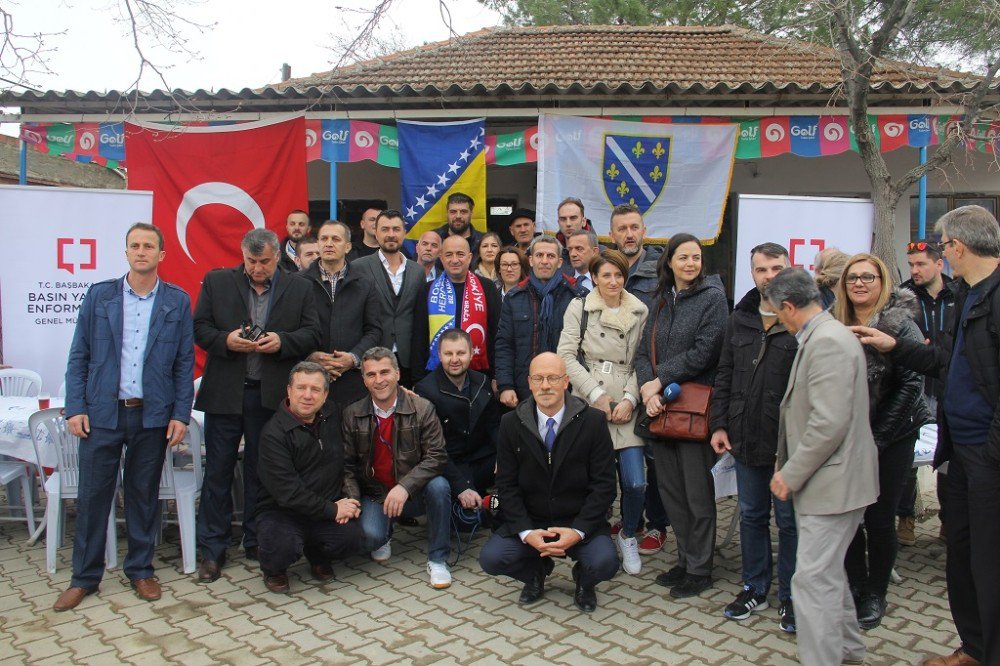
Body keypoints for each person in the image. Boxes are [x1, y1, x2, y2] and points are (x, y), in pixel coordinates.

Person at [852, 206, 1000, 666]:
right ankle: (973, 648)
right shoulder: (967, 295)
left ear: (956, 247)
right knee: (963, 552)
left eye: (945, 247)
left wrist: (993, 452)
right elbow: (945, 363)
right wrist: (894, 346)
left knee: (989, 560)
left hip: (987, 454)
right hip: (960, 452)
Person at [54, 223, 194, 611]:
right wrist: (77, 406)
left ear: (161, 255)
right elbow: (78, 355)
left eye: (149, 246)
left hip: (151, 415)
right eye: (135, 245)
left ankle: (140, 570)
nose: (142, 251)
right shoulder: (100, 297)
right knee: (93, 497)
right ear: (126, 252)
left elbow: (184, 364)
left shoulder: (176, 302)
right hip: (101, 414)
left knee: (143, 496)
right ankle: (84, 577)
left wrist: (180, 413)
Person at [193, 228, 321, 582]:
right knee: (218, 471)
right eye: (251, 261)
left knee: (261, 471)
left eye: (264, 261)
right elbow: (200, 328)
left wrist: (282, 341)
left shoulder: (299, 287)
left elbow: (313, 333)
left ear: (278, 256)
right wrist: (226, 341)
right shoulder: (217, 281)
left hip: (270, 394)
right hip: (226, 394)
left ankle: (256, 540)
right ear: (243, 256)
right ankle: (213, 550)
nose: (257, 268)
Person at [766, 267, 879, 666]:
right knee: (827, 575)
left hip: (832, 484)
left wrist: (789, 473)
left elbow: (828, 423)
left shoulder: (827, 341)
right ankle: (847, 651)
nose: (778, 320)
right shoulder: (825, 335)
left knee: (811, 579)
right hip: (835, 481)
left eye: (777, 313)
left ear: (789, 307)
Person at [832, 253, 932, 630]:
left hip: (892, 434)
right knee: (850, 516)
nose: (860, 283)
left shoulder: (899, 322)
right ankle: (856, 585)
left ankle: (876, 592)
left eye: (868, 277)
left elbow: (911, 385)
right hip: (846, 436)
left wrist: (876, 439)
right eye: (853, 277)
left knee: (879, 517)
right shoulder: (834, 322)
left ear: (882, 282)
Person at [479, 353, 619, 612]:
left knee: (605, 562)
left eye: (553, 378)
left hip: (578, 520)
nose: (545, 386)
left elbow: (605, 486)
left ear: (566, 381)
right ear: (529, 383)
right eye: (539, 379)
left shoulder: (593, 422)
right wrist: (526, 532)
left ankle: (584, 581)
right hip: (533, 522)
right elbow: (506, 486)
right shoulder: (510, 424)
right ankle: (536, 572)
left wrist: (577, 531)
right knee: (492, 558)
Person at [710, 242, 799, 632]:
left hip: (789, 444)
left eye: (777, 268)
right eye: (762, 270)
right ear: (753, 273)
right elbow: (724, 374)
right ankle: (754, 586)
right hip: (744, 438)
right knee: (751, 516)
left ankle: (793, 597)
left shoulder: (801, 321)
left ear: (789, 270)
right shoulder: (739, 318)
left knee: (790, 521)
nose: (769, 276)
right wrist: (718, 424)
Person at [636, 233, 728, 599]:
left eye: (696, 257)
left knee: (696, 494)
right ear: (670, 261)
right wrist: (648, 389)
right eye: (684, 257)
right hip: (662, 410)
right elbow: (644, 352)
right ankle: (686, 559)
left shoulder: (713, 299)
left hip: (694, 410)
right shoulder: (660, 301)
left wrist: (659, 381)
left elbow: (704, 352)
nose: (691, 263)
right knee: (672, 491)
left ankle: (701, 568)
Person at [556, 250, 648, 575]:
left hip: (626, 393)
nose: (612, 281)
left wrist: (629, 400)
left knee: (636, 482)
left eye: (618, 275)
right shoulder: (579, 307)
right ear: (594, 277)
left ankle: (628, 533)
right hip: (587, 394)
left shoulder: (639, 310)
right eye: (606, 275)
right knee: (591, 480)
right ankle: (594, 536)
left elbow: (643, 360)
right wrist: (595, 394)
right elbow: (565, 355)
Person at [341, 347, 452, 588]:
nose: (379, 380)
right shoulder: (352, 414)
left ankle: (438, 559)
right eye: (371, 375)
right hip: (375, 494)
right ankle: (384, 533)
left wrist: (404, 487)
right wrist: (352, 500)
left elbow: (437, 456)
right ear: (363, 380)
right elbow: (347, 466)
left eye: (385, 372)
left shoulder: (422, 408)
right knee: (370, 538)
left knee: (440, 486)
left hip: (413, 493)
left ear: (398, 374)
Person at [255, 362, 363, 594]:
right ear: (289, 391)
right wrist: (333, 510)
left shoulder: (333, 415)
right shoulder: (273, 434)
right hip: (282, 512)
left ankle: (317, 554)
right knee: (281, 545)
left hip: (322, 508)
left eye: (315, 390)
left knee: (353, 537)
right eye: (301, 388)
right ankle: (274, 570)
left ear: (325, 395)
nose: (307, 395)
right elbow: (288, 493)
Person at [610, 203, 669, 558]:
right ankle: (634, 520)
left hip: (652, 378)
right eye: (622, 229)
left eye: (634, 227)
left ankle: (658, 523)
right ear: (612, 234)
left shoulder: (661, 269)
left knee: (653, 457)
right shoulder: (608, 268)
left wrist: (656, 379)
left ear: (644, 230)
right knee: (623, 457)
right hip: (617, 379)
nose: (629, 234)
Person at [897, 239, 955, 546]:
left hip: (948, 386)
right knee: (909, 454)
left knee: (947, 455)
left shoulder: (958, 293)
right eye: (911, 264)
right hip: (915, 387)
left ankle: (948, 519)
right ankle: (905, 517)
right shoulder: (903, 297)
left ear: (939, 264)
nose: (915, 270)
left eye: (920, 264)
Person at [298, 220, 381, 408]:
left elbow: (374, 331)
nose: (329, 243)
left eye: (335, 239)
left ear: (348, 246)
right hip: (309, 380)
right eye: (324, 239)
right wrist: (310, 356)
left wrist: (352, 358)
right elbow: (291, 329)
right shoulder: (298, 283)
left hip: (352, 383)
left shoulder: (365, 284)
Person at [414, 329, 501, 510]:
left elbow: (494, 426)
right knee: (465, 521)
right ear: (439, 355)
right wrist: (462, 487)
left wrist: (504, 456)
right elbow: (433, 449)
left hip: (481, 460)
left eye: (460, 353)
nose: (454, 359)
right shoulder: (425, 390)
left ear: (471, 354)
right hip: (448, 465)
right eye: (448, 354)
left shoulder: (482, 382)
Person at [495, 235, 586, 406]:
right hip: (524, 390)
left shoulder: (577, 296)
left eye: (550, 256)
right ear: (530, 260)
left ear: (559, 262)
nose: (544, 261)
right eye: (539, 255)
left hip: (568, 389)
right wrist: (505, 386)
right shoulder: (514, 297)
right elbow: (504, 345)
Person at [411, 235, 501, 384]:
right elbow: (419, 338)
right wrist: (418, 381)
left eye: (460, 254)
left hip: (481, 376)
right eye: (449, 254)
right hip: (435, 377)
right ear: (441, 257)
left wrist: (498, 377)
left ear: (470, 257)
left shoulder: (487, 288)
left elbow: (498, 334)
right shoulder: (427, 290)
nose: (454, 260)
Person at [352, 210, 426, 387]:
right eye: (385, 229)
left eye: (396, 229)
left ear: (404, 233)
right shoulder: (358, 267)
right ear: (375, 232)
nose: (391, 235)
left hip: (408, 359)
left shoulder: (417, 271)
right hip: (372, 356)